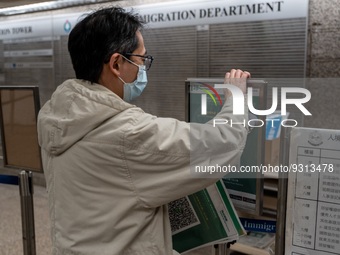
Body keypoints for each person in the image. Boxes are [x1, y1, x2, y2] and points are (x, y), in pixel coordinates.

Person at [37, 6, 250, 255]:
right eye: (141, 59)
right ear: (117, 63)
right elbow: (222, 143)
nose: (143, 69)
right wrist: (236, 96)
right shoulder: (127, 133)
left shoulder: (57, 116)